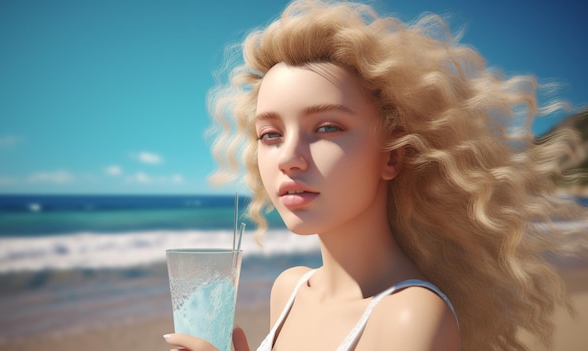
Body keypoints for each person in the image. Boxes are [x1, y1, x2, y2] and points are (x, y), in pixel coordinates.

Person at [165, 1, 588, 350]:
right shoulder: (289, 290)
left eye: (327, 128)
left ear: (392, 156)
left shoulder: (411, 319)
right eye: (270, 134)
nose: (288, 158)